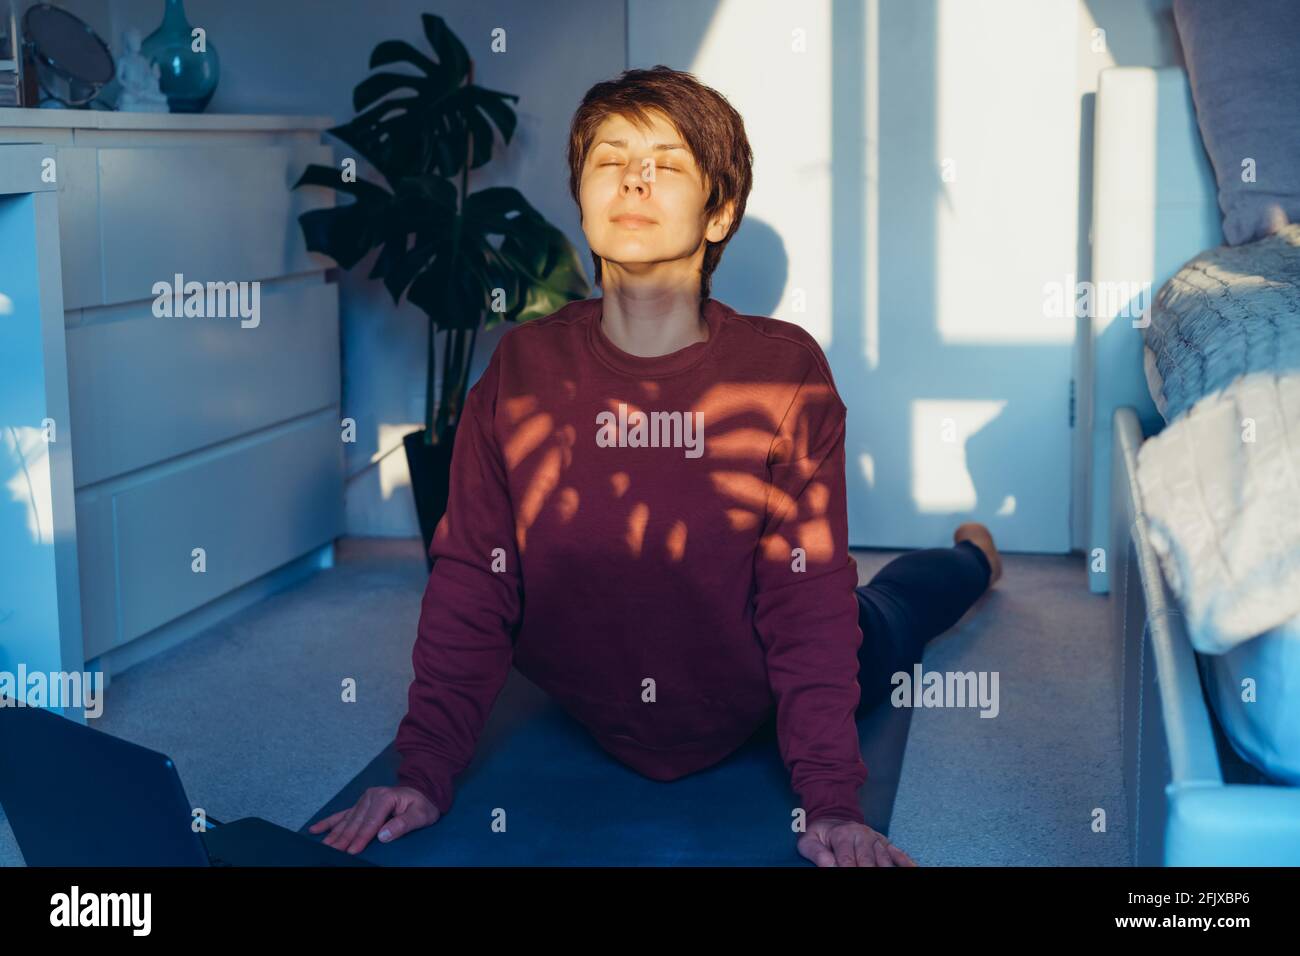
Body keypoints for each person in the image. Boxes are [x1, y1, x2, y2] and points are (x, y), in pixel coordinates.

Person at [310, 65, 1002, 867]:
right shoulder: (521, 368)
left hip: (764, 679)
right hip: (600, 696)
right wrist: (421, 773)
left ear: (720, 213)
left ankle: (973, 555)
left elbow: (805, 594)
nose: (633, 178)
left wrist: (832, 802)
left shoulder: (783, 371)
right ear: (581, 197)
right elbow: (473, 575)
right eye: (609, 159)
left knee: (893, 612)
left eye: (667, 164)